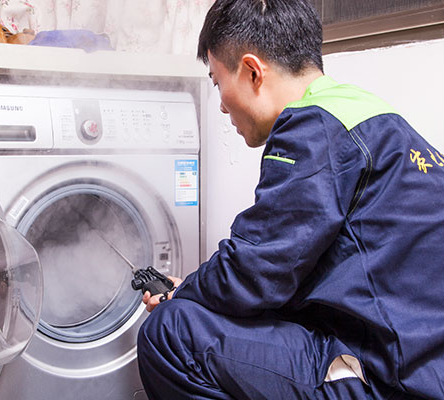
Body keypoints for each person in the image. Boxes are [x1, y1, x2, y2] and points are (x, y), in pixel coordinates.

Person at [137, 0, 444, 399]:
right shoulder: (370, 116)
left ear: (252, 71)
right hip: (423, 362)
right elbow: (290, 265)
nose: (222, 104)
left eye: (216, 82)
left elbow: (255, 270)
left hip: (389, 379)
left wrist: (182, 293)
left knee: (169, 330)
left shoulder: (312, 127)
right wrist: (200, 289)